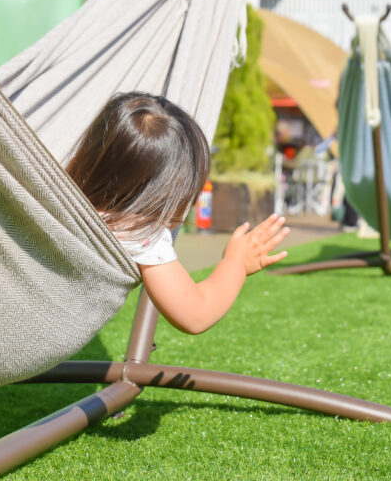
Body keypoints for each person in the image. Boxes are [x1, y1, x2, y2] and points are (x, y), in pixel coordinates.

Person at [65, 92, 290, 335]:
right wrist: (237, 263)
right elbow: (197, 313)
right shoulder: (139, 233)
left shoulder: (52, 196)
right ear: (168, 193)